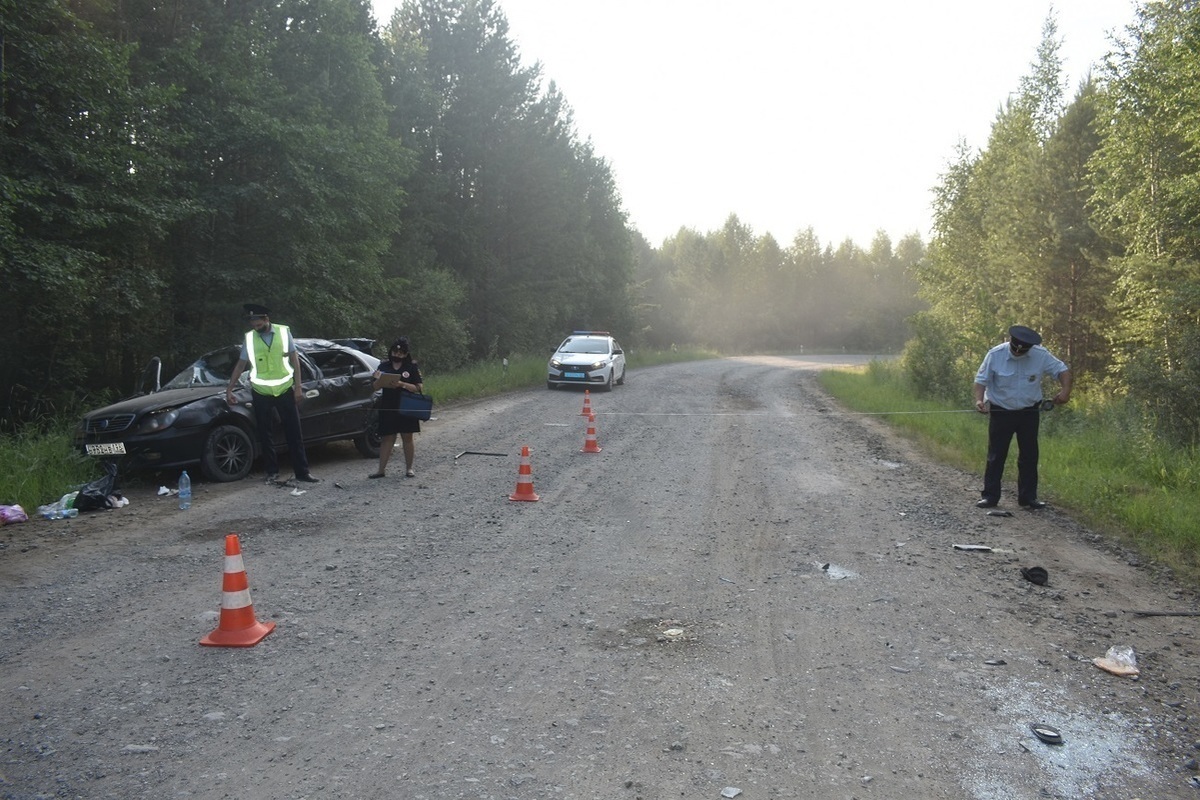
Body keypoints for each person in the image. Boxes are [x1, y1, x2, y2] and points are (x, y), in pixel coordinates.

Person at [973, 325, 1071, 509]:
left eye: (1022, 351)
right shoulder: (995, 354)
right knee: (996, 455)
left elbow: (1062, 370)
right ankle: (990, 496)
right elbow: (981, 380)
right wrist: (979, 400)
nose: (1018, 353)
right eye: (1015, 349)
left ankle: (1028, 498)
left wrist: (1065, 390)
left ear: (1029, 348)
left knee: (1029, 455)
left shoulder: (1040, 355)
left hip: (1029, 412)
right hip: (1001, 411)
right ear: (1011, 343)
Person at [225, 304, 320, 484]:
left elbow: (295, 360)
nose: (255, 327)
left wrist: (298, 387)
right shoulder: (250, 338)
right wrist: (230, 388)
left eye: (258, 323)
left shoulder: (284, 333)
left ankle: (302, 472)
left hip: (285, 389)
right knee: (265, 433)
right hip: (261, 392)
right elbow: (241, 364)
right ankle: (271, 472)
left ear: (266, 319)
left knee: (294, 432)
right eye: (252, 324)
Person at [369, 336, 424, 479]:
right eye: (395, 352)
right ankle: (381, 470)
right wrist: (379, 380)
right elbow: (374, 387)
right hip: (388, 405)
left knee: (407, 437)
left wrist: (401, 384)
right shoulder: (383, 366)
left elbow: (418, 387)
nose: (397, 355)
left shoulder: (411, 367)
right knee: (387, 438)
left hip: (407, 405)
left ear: (405, 354)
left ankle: (409, 469)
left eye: (400, 353)